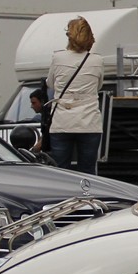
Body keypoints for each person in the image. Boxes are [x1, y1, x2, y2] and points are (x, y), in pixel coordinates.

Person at [47, 16, 105, 174]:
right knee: (87, 170)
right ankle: (87, 197)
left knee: (61, 171)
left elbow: (50, 84)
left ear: (69, 36)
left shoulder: (57, 57)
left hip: (62, 122)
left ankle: (64, 197)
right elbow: (99, 86)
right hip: (89, 122)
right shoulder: (97, 60)